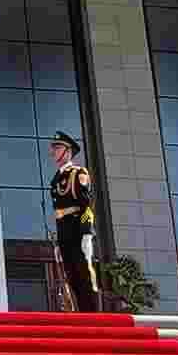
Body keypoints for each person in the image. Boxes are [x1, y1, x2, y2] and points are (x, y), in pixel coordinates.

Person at [48, 131, 101, 312]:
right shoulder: (57, 179)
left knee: (85, 274)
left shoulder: (78, 173)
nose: (53, 152)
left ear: (68, 151)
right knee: (71, 276)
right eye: (54, 148)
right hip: (65, 233)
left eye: (58, 148)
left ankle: (93, 316)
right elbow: (59, 213)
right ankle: (82, 316)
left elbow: (87, 206)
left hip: (78, 229)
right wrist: (59, 242)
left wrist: (87, 233)